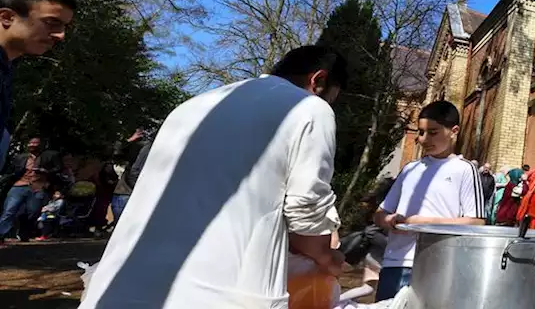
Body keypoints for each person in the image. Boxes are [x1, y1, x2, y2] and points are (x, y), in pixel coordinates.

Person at [79, 45, 347, 308]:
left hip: (123, 281)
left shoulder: (195, 104)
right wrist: (326, 257)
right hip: (217, 291)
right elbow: (305, 208)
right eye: (330, 97)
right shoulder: (309, 108)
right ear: (318, 80)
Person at [373, 100, 484, 300]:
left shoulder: (465, 169)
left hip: (438, 264)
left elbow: (476, 222)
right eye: (420, 132)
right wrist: (389, 221)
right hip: (396, 263)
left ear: (454, 131)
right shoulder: (410, 169)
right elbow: (381, 213)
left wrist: (422, 223)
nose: (424, 139)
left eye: (433, 132)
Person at [0, 0, 75, 160]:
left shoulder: (8, 69)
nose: (61, 35)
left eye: (64, 27)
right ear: (7, 17)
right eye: (52, 23)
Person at [0, 136, 52, 241]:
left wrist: (45, 172)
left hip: (37, 187)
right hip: (19, 185)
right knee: (9, 210)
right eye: (30, 143)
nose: (32, 145)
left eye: (35, 143)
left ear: (41, 145)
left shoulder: (47, 157)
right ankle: (1, 234)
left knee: (33, 212)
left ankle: (24, 232)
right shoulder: (21, 157)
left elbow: (57, 170)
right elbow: (12, 170)